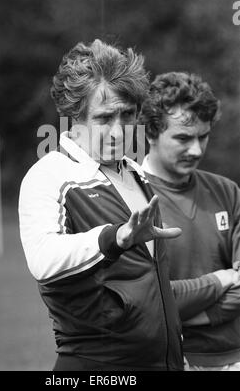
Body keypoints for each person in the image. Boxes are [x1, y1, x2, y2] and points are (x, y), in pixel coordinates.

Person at [18, 39, 184, 371]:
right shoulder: (49, 175)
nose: (118, 131)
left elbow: (150, 283)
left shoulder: (136, 173)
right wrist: (114, 238)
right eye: (105, 117)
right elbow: (42, 259)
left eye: (127, 115)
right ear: (74, 116)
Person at [140, 72, 240, 371]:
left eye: (204, 136)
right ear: (151, 133)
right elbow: (146, 301)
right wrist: (222, 279)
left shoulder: (228, 191)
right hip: (166, 361)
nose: (196, 150)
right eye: (183, 138)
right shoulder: (131, 198)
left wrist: (181, 314)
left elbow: (162, 306)